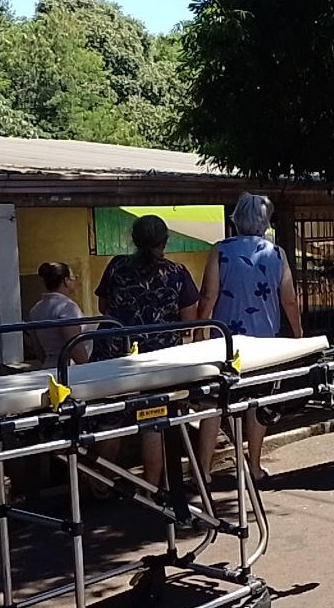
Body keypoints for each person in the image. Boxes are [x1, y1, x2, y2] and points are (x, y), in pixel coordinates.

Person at [196, 193, 302, 483]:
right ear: (265, 222)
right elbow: (289, 299)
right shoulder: (277, 253)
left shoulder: (220, 250)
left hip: (224, 341)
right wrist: (298, 333)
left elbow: (208, 295)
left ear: (236, 220)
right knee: (258, 402)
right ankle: (254, 467)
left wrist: (199, 332)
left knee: (214, 403)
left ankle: (203, 471)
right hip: (264, 341)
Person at [92, 215, 201, 488]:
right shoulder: (177, 273)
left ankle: (101, 484)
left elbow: (103, 307)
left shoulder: (116, 266)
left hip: (115, 354)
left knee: (109, 419)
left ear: (134, 239)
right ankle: (152, 489)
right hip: (158, 359)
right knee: (154, 421)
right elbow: (190, 321)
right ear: (165, 241)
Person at [26, 262, 92, 369]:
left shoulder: (36, 309)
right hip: (70, 369)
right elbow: (74, 344)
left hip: (49, 366)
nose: (75, 280)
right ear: (66, 281)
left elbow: (36, 346)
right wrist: (87, 367)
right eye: (73, 277)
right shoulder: (66, 307)